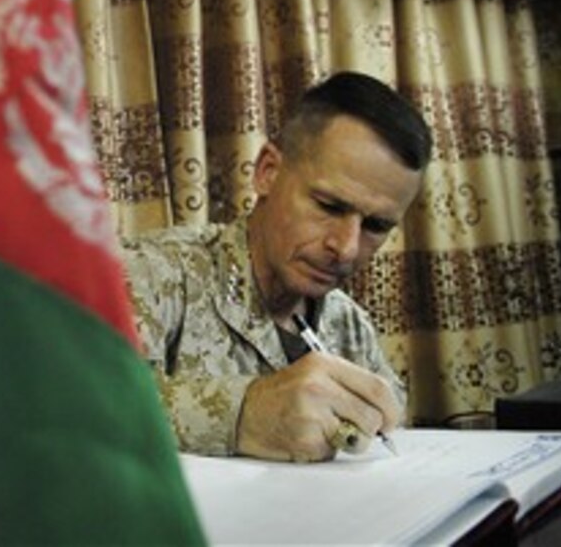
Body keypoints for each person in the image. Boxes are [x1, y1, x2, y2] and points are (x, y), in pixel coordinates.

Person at [122, 71, 432, 463]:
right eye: (329, 206)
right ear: (268, 171)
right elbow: (65, 405)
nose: (347, 248)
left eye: (376, 226)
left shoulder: (349, 326)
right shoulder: (150, 274)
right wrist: (243, 414)